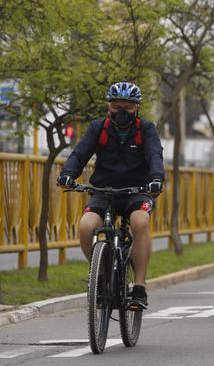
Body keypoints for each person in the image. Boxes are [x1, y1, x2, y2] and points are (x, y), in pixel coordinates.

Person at [57, 82, 164, 311]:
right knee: (86, 226)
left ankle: (139, 287)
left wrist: (156, 178)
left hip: (137, 192)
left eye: (128, 106)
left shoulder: (146, 129)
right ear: (109, 107)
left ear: (137, 108)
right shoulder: (98, 127)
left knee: (140, 222)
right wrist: (67, 174)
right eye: (117, 106)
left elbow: (155, 155)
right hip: (103, 192)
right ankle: (102, 276)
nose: (122, 111)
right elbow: (79, 154)